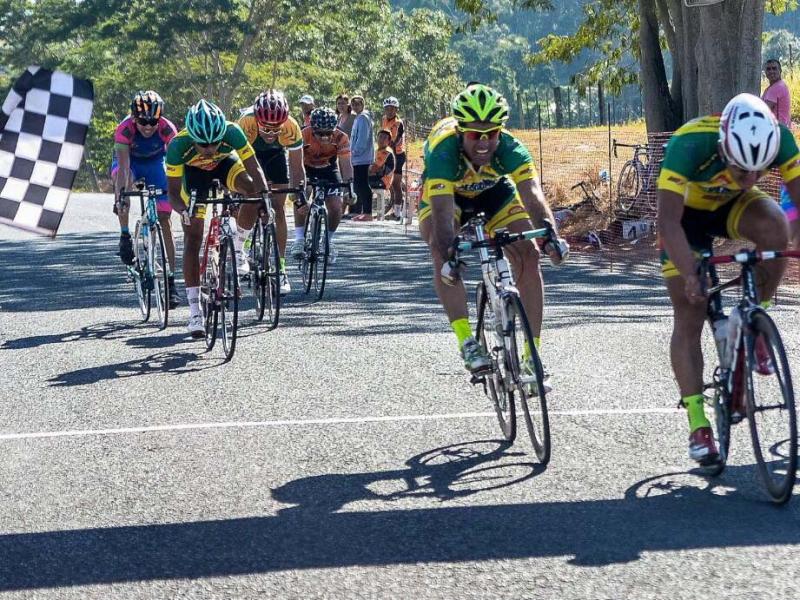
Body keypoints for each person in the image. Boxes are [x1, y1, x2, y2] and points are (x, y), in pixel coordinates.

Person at [657, 93, 800, 465]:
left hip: (729, 207)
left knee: (775, 226)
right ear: (723, 145)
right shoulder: (689, 144)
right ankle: (698, 423)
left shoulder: (779, 139)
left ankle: (755, 322)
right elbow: (667, 222)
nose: (750, 178)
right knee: (691, 310)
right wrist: (690, 274)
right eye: (741, 170)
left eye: (760, 170)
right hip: (685, 220)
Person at [418, 83, 568, 376]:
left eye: (492, 134)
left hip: (493, 191)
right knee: (439, 245)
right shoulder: (444, 151)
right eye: (475, 135)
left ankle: (531, 354)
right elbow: (443, 213)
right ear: (461, 133)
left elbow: (532, 193)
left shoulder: (511, 148)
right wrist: (450, 250)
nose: (484, 142)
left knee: (529, 253)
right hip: (449, 196)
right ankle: (467, 342)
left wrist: (550, 234)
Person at [165, 99, 267, 337]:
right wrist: (183, 212)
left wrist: (265, 197)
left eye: (214, 142)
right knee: (193, 237)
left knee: (252, 190)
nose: (209, 148)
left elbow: (255, 168)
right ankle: (195, 312)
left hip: (224, 165)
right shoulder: (178, 145)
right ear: (192, 137)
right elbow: (172, 192)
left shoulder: (233, 131)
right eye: (203, 144)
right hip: (193, 177)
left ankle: (239, 248)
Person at [111, 91, 182, 307]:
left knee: (165, 220)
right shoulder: (124, 129)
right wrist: (120, 196)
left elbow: (174, 166)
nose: (148, 126)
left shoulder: (168, 129)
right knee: (123, 188)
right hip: (130, 164)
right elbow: (123, 168)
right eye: (143, 121)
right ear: (134, 117)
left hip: (156, 163)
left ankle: (171, 281)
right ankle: (124, 235)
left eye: (153, 121)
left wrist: (177, 193)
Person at [238, 89, 306, 295]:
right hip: (250, 155)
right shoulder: (245, 123)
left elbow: (297, 168)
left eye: (275, 129)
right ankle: (243, 245)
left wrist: (299, 194)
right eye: (265, 128)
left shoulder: (291, 127)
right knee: (250, 200)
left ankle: (280, 268)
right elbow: (236, 162)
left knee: (277, 208)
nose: (270, 133)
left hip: (276, 157)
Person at [292, 107, 353, 264]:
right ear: (313, 129)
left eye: (329, 133)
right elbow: (295, 163)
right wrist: (298, 189)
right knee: (301, 195)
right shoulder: (303, 135)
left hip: (328, 169)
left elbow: (345, 164)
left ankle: (328, 240)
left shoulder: (341, 137)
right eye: (320, 133)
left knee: (335, 206)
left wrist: (349, 188)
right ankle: (299, 239)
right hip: (306, 168)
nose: (325, 137)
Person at [349, 94, 374, 220]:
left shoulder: (363, 118)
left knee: (363, 184)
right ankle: (360, 211)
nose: (355, 106)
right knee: (358, 184)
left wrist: (354, 151)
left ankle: (368, 212)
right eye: (353, 104)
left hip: (362, 157)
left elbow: (362, 139)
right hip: (357, 158)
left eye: (358, 104)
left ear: (362, 105)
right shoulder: (358, 117)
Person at [381, 97, 406, 220]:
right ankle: (392, 208)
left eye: (392, 108)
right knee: (389, 181)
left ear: (396, 109)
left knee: (396, 184)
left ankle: (397, 212)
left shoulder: (398, 122)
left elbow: (396, 140)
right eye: (387, 108)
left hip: (398, 154)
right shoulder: (384, 119)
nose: (389, 111)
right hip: (387, 153)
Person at [362, 129, 396, 221]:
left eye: (384, 138)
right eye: (380, 137)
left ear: (389, 141)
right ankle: (360, 211)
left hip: (382, 181)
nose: (381, 139)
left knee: (361, 183)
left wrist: (367, 170)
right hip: (374, 177)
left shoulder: (387, 153)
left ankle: (364, 212)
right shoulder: (376, 150)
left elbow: (377, 169)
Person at [762, 59, 791, 127]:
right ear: (765, 72)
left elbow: (762, 110)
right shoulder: (770, 88)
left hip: (778, 130)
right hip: (779, 128)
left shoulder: (778, 87)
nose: (771, 71)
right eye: (768, 69)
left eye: (774, 68)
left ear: (780, 71)